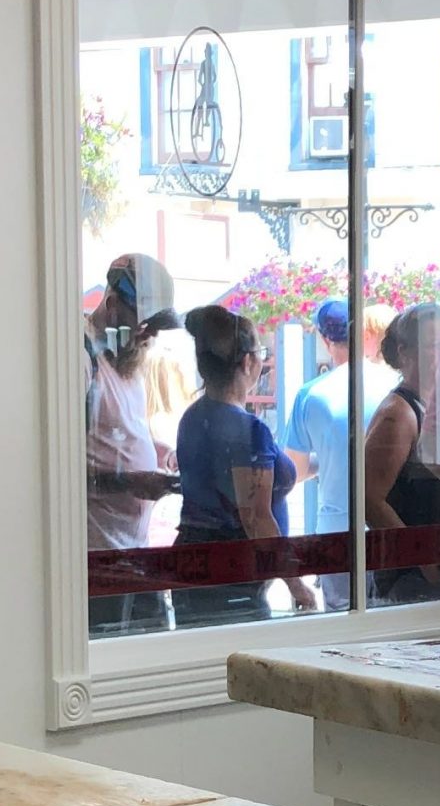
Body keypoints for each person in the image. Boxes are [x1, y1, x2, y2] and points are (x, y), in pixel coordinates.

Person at [173, 305, 316, 626]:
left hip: (195, 564)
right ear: (248, 361)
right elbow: (256, 517)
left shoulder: (194, 417)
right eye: (260, 353)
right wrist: (296, 584)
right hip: (232, 577)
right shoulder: (248, 430)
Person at [83, 253, 181, 636]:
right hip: (98, 553)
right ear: (112, 305)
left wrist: (159, 451)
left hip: (133, 547)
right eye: (144, 324)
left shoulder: (126, 364)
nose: (149, 335)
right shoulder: (81, 359)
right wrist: (128, 481)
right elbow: (58, 466)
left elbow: (118, 432)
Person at [284, 299, 399, 608]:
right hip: (388, 525)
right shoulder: (395, 385)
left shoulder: (311, 394)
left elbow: (293, 472)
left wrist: (328, 460)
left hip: (335, 531)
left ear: (325, 340)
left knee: (343, 635)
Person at [367, 305, 440, 601]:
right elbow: (369, 500)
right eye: (434, 345)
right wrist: (423, 563)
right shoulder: (399, 414)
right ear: (405, 353)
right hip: (413, 584)